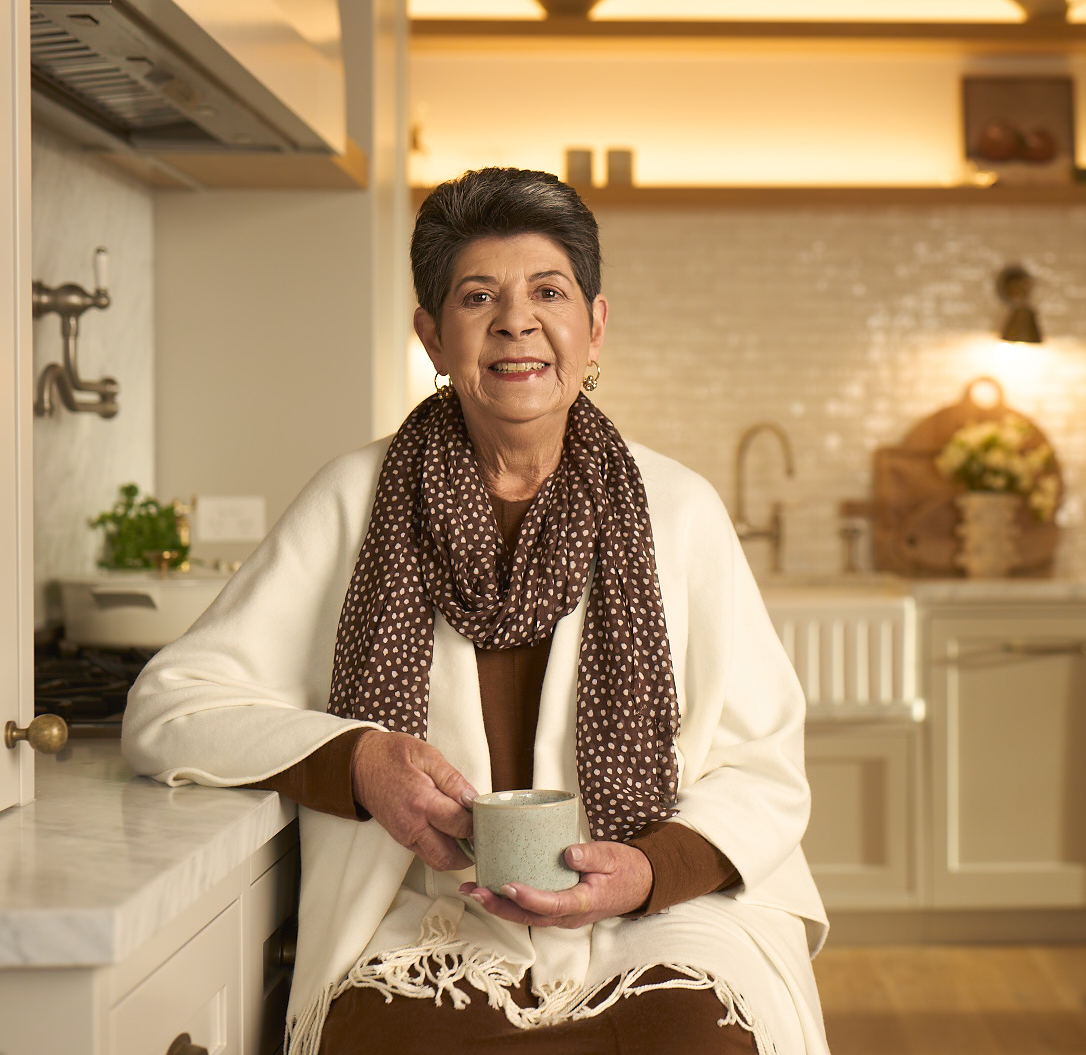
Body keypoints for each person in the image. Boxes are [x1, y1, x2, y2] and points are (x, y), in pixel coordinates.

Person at [122, 167, 828, 1055]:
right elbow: (170, 707)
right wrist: (357, 759)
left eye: (548, 291)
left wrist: (650, 870)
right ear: (431, 334)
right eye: (477, 295)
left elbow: (765, 768)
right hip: (430, 921)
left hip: (655, 920)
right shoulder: (354, 499)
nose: (515, 321)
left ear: (594, 325)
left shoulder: (677, 510)